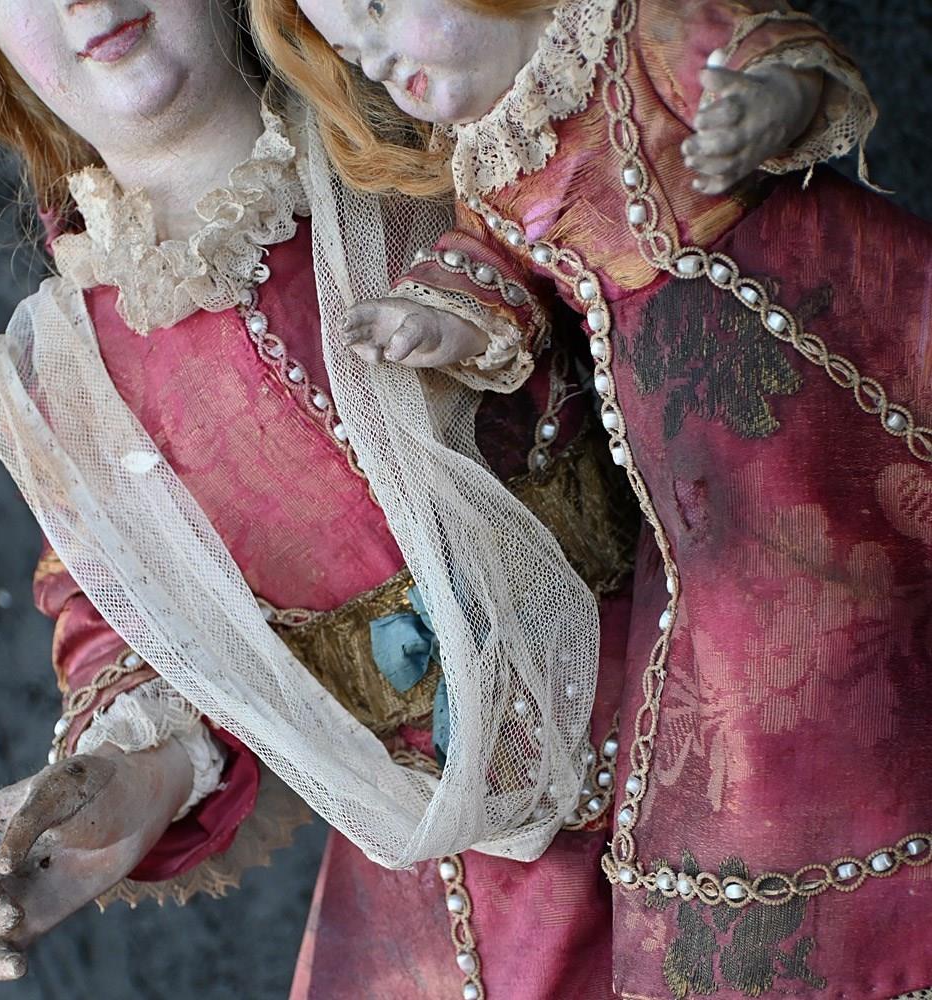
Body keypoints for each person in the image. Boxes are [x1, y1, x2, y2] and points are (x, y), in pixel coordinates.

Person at [0, 0, 636, 992]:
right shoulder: (70, 376)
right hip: (455, 882)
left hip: (690, 701)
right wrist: (131, 779)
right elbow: (133, 619)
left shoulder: (424, 108)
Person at [252, 0, 932, 996]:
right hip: (717, 456)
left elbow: (768, 53)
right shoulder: (493, 165)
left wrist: (764, 105)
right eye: (357, 54)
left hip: (844, 296)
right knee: (792, 634)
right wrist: (438, 321)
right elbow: (495, 270)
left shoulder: (627, 36)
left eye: (382, 14)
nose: (385, 64)